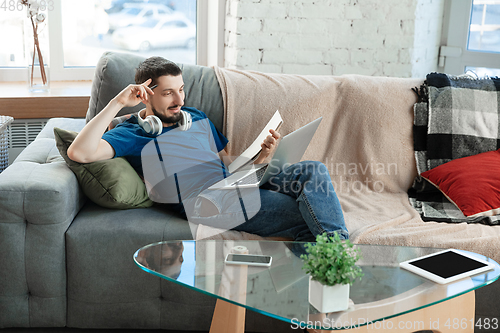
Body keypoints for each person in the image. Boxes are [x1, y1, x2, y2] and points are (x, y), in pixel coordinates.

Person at [68, 56, 348, 242]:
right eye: (168, 93)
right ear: (146, 96)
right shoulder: (134, 133)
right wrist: (118, 102)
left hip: (234, 184)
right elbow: (79, 153)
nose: (179, 100)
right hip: (209, 204)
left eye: (181, 89)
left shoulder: (196, 117)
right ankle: (340, 264)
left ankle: (338, 254)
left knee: (313, 169)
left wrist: (261, 160)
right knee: (307, 214)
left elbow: (225, 163)